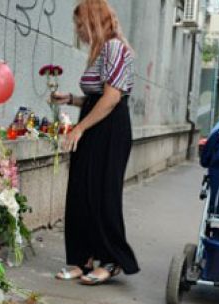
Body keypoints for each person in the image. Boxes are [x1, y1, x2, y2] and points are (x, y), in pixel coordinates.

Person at [51, 0, 140, 285]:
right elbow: (96, 97)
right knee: (80, 191)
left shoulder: (114, 47)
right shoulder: (102, 51)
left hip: (109, 128)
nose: (78, 32)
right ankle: (81, 259)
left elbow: (112, 98)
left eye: (80, 25)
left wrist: (79, 128)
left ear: (93, 21)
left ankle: (112, 260)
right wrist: (72, 100)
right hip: (96, 122)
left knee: (102, 193)